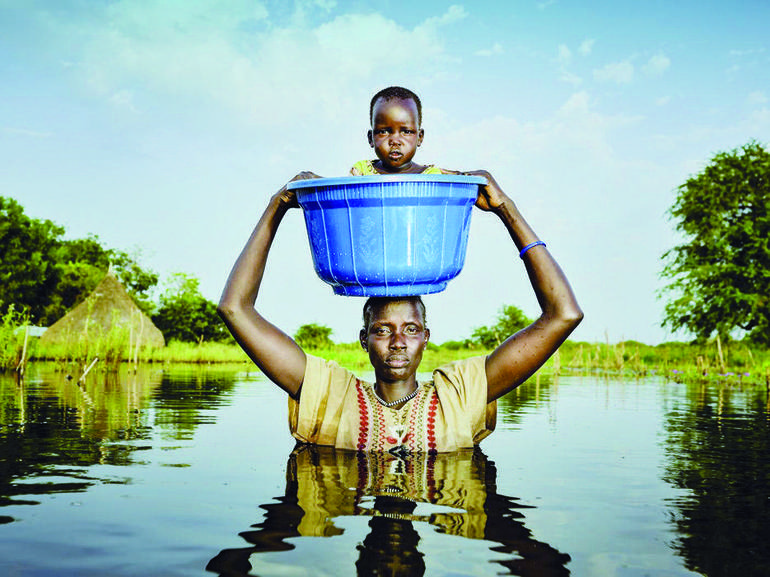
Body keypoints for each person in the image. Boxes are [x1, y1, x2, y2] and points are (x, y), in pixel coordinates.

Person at [217, 89, 583, 454]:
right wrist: (275, 207)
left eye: (410, 329)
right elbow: (234, 309)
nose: (397, 342)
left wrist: (508, 210)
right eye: (382, 330)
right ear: (363, 339)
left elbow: (564, 315)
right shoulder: (329, 394)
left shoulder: (461, 394)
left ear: (426, 336)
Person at [349, 86, 443, 175]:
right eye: (383, 132)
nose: (395, 141)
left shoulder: (433, 176)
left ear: (420, 137)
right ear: (371, 138)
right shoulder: (361, 172)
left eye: (406, 132)